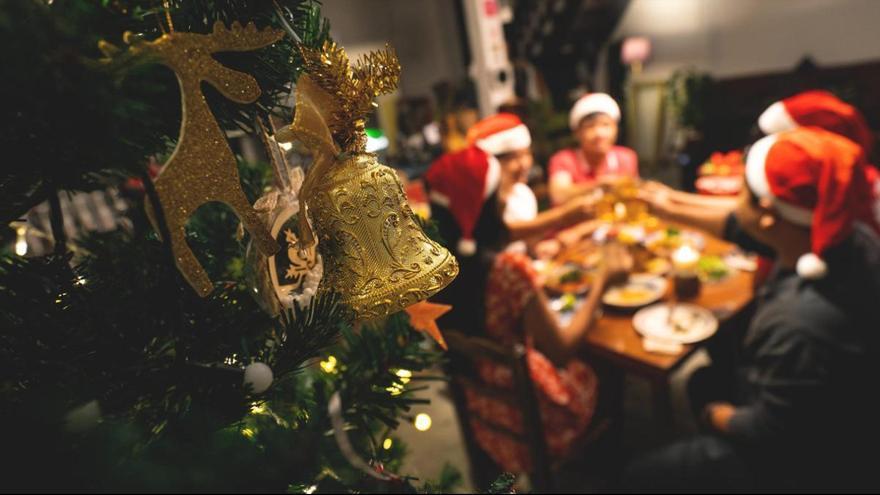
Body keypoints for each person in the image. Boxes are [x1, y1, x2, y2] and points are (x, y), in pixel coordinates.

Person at [626, 127, 880, 490]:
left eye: (742, 190)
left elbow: (769, 432)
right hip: (837, 408)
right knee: (702, 379)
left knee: (638, 476)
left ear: (767, 213)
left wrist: (716, 415)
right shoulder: (844, 238)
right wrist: (667, 204)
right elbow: (737, 224)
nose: (734, 197)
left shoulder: (798, 323)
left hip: (802, 463)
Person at [464, 242, 632, 474]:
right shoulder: (507, 267)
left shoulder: (431, 259)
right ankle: (610, 468)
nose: (503, 203)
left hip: (482, 415)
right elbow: (560, 351)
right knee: (608, 362)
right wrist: (602, 281)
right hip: (534, 421)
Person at [425, 113, 595, 331]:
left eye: (527, 154)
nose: (524, 164)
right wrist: (564, 215)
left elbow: (528, 247)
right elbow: (497, 234)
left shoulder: (523, 195)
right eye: (512, 157)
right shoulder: (477, 212)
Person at [548, 93, 639, 205]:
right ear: (577, 133)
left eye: (605, 125)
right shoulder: (564, 159)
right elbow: (559, 196)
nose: (599, 134)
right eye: (590, 126)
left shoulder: (626, 157)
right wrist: (600, 185)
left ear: (616, 128)